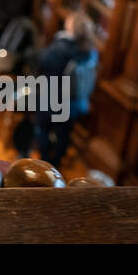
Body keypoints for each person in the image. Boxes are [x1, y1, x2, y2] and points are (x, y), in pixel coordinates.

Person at [35, 13, 100, 167]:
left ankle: (44, 163)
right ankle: (56, 163)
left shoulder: (61, 48)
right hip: (76, 102)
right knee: (63, 133)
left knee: (42, 128)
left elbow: (43, 62)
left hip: (53, 100)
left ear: (71, 28)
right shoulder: (91, 52)